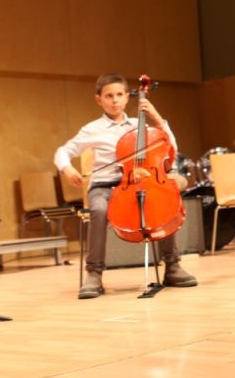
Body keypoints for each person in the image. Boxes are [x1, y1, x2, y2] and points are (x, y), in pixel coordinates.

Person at [55, 73, 198, 299]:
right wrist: (67, 168)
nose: (115, 100)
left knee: (161, 201)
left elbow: (171, 147)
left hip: (139, 181)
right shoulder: (92, 129)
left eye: (119, 95)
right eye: (109, 96)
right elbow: (63, 151)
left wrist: (157, 118)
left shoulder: (138, 124)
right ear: (98, 100)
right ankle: (94, 273)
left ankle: (172, 266)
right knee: (99, 211)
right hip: (104, 185)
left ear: (127, 97)